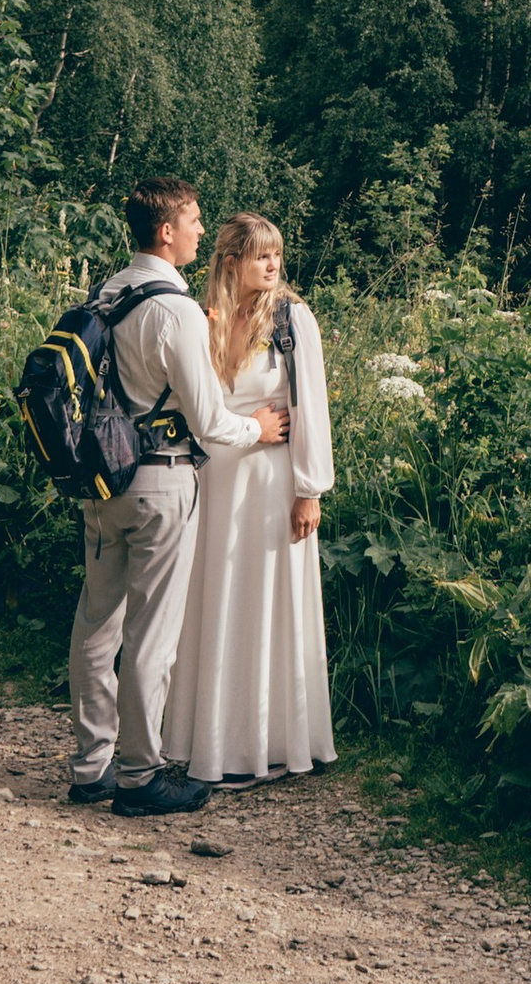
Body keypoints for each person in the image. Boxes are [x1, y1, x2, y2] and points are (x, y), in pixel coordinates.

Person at [66, 179, 291, 817]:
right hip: (161, 480)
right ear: (166, 231)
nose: (199, 229)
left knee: (96, 624)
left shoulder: (109, 290)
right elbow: (213, 423)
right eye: (192, 220)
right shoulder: (178, 310)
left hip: (102, 479)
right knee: (152, 636)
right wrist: (262, 429)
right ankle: (140, 777)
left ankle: (91, 768)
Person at [167, 212, 337, 784]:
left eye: (277, 255)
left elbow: (311, 407)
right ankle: (211, 741)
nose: (273, 265)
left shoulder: (293, 320)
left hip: (271, 485)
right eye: (262, 255)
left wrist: (310, 490)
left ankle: (273, 741)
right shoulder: (202, 317)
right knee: (216, 602)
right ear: (231, 261)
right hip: (214, 481)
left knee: (267, 603)